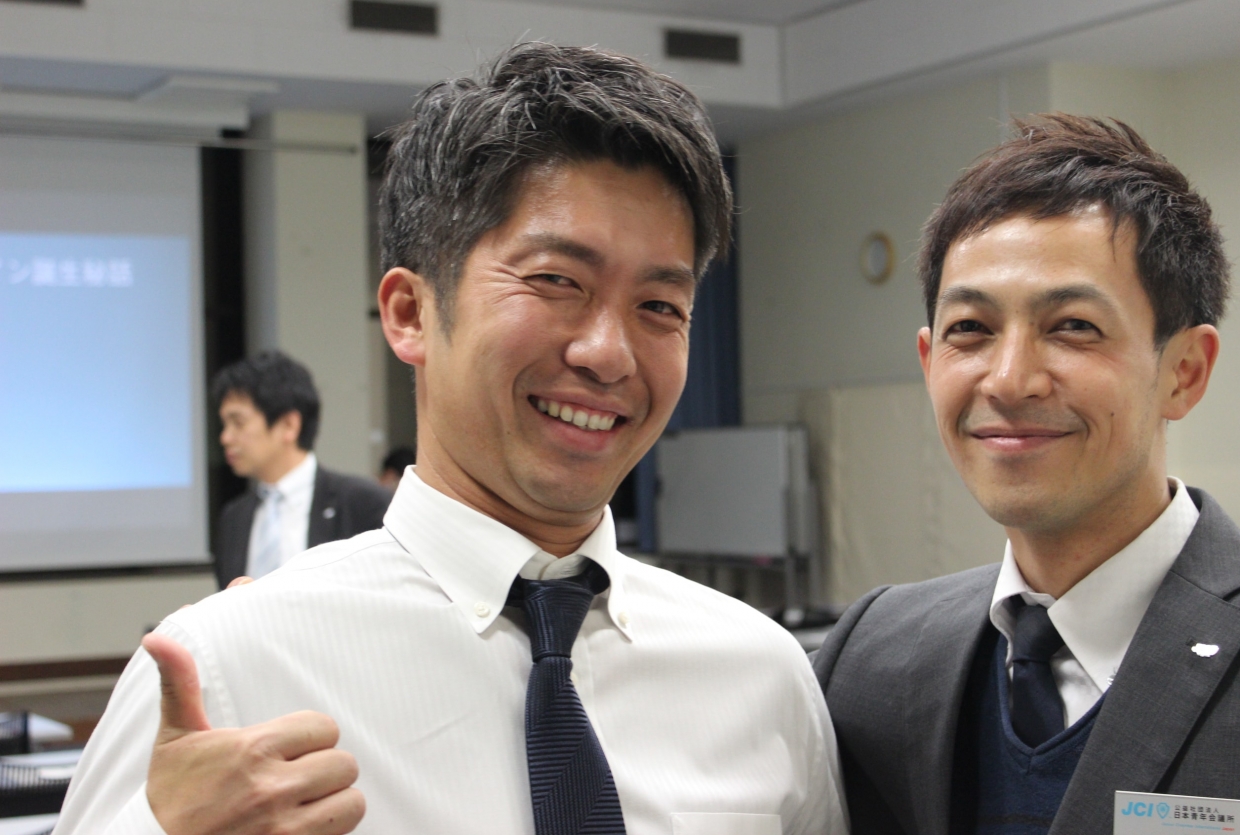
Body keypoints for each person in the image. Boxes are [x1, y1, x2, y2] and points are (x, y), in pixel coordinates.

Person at [55, 44, 846, 835]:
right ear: (409, 313)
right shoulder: (235, 672)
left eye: (660, 306)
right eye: (556, 280)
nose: (609, 353)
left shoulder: (760, 674)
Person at [814, 114, 1240, 833]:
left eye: (1073, 327)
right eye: (971, 329)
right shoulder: (873, 658)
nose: (1009, 380)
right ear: (930, 361)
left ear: (1184, 371)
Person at [210, 351, 392, 589]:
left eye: (238, 423)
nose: (225, 437)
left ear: (289, 425)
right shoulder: (234, 518)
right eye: (224, 424)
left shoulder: (363, 503)